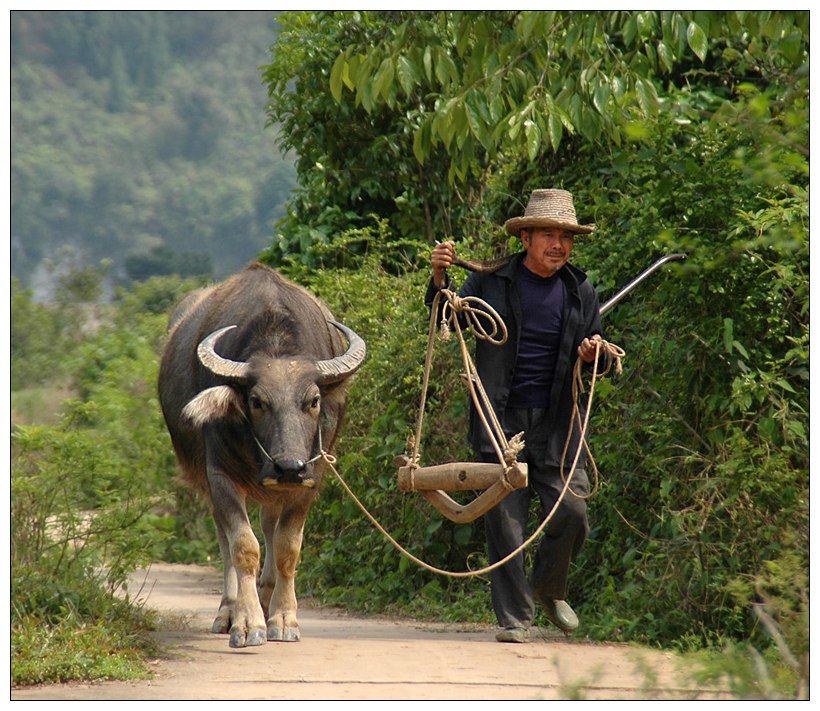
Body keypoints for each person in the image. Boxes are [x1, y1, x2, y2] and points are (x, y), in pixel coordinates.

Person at [426, 188, 607, 643]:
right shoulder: (491, 281)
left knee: (572, 512)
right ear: (525, 237)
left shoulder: (579, 289)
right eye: (548, 234)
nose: (558, 245)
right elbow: (443, 316)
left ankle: (550, 587)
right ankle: (514, 619)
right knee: (505, 523)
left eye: (565, 237)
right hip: (499, 419)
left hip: (559, 423)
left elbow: (603, 354)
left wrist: (593, 353)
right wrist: (439, 276)